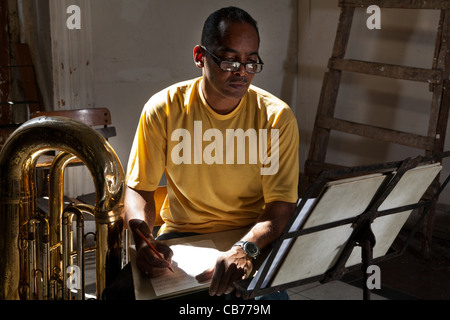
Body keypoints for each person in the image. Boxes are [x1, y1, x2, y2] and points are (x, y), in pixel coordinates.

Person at [123, 6, 299, 298]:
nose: (242, 72)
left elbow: (280, 207)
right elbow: (139, 188)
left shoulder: (275, 118)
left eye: (251, 62)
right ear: (199, 57)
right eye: (230, 60)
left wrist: (246, 249)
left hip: (252, 237)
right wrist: (144, 244)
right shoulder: (164, 109)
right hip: (182, 238)